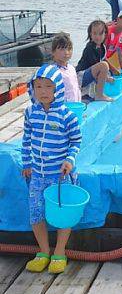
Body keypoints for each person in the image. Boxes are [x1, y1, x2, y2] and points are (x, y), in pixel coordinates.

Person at [21, 64, 82, 274]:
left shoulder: (67, 116)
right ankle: (44, 251)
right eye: (38, 87)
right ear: (32, 89)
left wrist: (70, 160)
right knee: (36, 213)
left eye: (48, 86)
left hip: (60, 177)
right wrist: (26, 163)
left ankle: (59, 251)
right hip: (37, 174)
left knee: (62, 214)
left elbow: (76, 141)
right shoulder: (30, 113)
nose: (44, 92)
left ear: (57, 89)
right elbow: (27, 139)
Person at [76, 20, 114, 102]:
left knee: (107, 69)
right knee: (104, 65)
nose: (97, 36)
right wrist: (106, 78)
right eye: (94, 33)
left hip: (89, 74)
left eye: (100, 33)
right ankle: (99, 95)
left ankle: (97, 93)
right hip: (80, 76)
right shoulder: (90, 47)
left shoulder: (102, 47)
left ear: (105, 34)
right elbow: (96, 66)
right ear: (90, 34)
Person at [51, 32, 81, 102]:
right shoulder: (53, 71)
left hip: (75, 105)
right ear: (53, 51)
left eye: (69, 49)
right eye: (62, 49)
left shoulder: (71, 68)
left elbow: (76, 88)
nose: (66, 52)